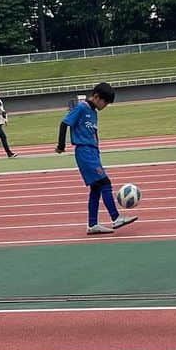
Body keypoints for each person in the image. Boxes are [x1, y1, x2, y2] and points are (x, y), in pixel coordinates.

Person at [56, 82, 137, 236]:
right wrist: (61, 145)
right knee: (104, 183)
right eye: (105, 102)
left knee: (96, 188)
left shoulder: (94, 112)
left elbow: (93, 133)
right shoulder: (81, 107)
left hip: (93, 152)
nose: (105, 106)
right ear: (97, 97)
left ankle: (92, 224)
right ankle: (116, 217)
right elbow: (64, 123)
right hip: (84, 151)